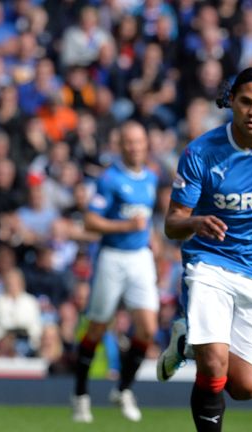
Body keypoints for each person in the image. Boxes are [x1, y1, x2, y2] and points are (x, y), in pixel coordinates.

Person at [156, 67, 252, 432]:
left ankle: (188, 341)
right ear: (232, 102)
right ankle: (201, 348)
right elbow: (171, 222)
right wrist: (196, 222)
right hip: (209, 263)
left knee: (246, 386)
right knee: (214, 367)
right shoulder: (201, 152)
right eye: (246, 101)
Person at [71, 121, 158, 423]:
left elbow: (145, 221)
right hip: (112, 257)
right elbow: (91, 221)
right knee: (97, 327)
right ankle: (81, 395)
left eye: (139, 141)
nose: (135, 147)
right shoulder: (110, 179)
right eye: (129, 142)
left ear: (146, 144)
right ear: (121, 146)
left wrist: (150, 240)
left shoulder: (151, 178)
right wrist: (125, 226)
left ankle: (123, 389)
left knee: (147, 328)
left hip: (140, 257)